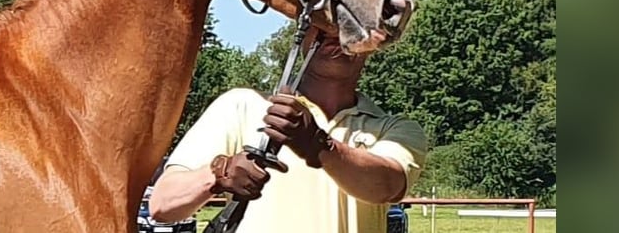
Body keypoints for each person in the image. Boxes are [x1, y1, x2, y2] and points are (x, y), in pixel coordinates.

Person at [149, 27, 428, 233]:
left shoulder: (395, 129)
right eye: (323, 24)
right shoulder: (241, 105)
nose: (335, 33)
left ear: (371, 42)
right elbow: (162, 205)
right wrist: (219, 174)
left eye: (348, 27)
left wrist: (319, 145)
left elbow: (386, 186)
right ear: (301, 31)